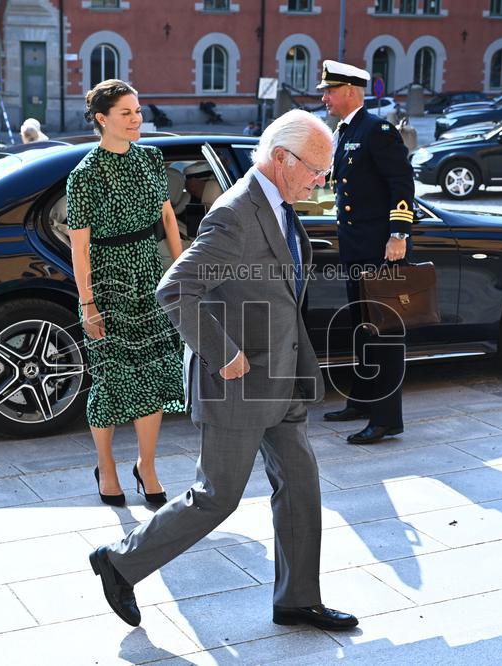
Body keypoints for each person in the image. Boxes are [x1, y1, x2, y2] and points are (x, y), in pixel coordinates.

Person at [89, 108, 359, 632]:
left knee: (301, 486)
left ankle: (297, 598)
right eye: (317, 170)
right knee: (217, 497)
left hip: (281, 379)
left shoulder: (280, 204)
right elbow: (175, 289)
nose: (322, 180)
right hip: (239, 381)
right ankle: (119, 561)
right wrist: (223, 353)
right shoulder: (236, 212)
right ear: (282, 159)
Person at [66, 79, 185, 507]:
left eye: (138, 111)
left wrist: (181, 272)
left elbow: (169, 220)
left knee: (153, 377)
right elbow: (80, 248)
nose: (137, 119)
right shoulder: (85, 176)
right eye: (126, 113)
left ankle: (146, 465)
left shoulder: (152, 159)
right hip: (108, 284)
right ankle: (107, 466)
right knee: (112, 381)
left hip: (150, 279)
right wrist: (88, 304)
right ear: (102, 119)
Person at [319, 60, 416, 445]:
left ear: (349, 92)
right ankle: (362, 400)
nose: (324, 97)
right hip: (357, 251)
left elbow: (401, 183)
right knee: (363, 328)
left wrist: (398, 234)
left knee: (385, 335)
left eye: (329, 90)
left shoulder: (377, 130)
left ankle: (387, 418)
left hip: (381, 252)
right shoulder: (345, 131)